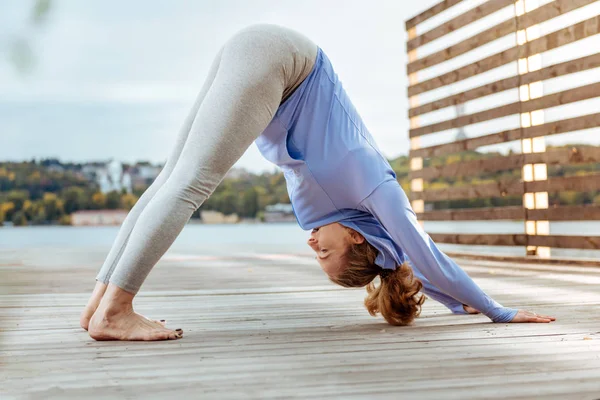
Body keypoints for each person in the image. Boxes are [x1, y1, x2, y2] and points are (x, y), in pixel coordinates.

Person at [80, 24, 555, 341]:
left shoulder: (329, 216)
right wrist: (495, 309)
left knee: (171, 178)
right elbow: (422, 254)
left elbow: (404, 268)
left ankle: (99, 305)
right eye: (325, 252)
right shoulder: (376, 189)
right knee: (191, 184)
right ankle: (116, 311)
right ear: (356, 236)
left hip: (261, 56)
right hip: (286, 64)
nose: (312, 244)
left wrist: (454, 304)